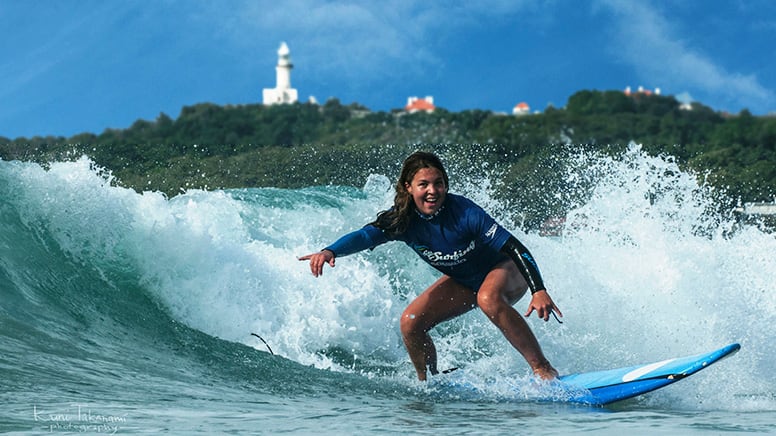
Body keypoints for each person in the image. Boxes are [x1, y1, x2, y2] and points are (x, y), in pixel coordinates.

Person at [299, 151, 562, 381]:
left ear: (446, 186)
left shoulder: (464, 212)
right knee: (410, 322)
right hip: (465, 280)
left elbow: (516, 248)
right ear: (408, 187)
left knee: (488, 298)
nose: (432, 191)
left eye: (438, 183)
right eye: (423, 184)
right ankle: (430, 381)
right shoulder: (402, 220)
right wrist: (330, 250)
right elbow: (365, 236)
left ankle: (543, 369)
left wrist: (538, 289)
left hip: (506, 269)